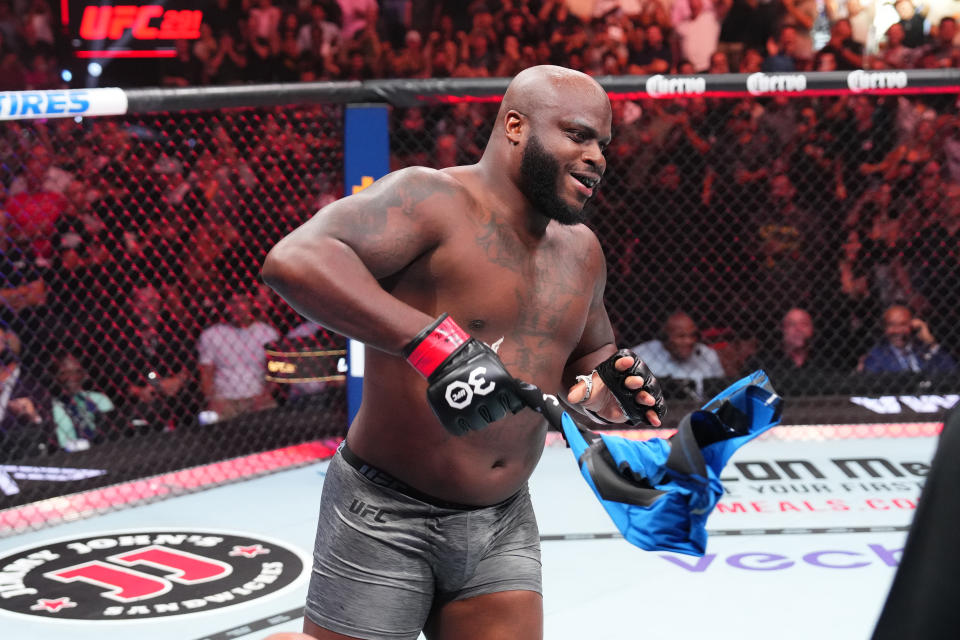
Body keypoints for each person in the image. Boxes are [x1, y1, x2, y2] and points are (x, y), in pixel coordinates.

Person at [261, 65, 664, 640]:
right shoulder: (430, 198)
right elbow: (295, 260)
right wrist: (432, 343)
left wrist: (606, 396)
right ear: (516, 126)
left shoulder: (581, 250)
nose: (598, 155)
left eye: (603, 143)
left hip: (502, 517)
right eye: (578, 135)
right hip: (385, 510)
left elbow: (585, 357)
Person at [197, 290, 279, 422]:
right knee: (209, 419)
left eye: (243, 301)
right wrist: (213, 400)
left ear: (251, 304)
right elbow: (206, 374)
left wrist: (265, 394)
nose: (238, 307)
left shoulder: (267, 333)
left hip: (257, 395)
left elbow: (276, 372)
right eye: (233, 302)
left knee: (273, 415)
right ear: (226, 306)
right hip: (224, 399)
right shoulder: (211, 335)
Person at [632, 311, 724, 400]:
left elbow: (722, 391)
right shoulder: (641, 356)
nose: (689, 341)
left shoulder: (708, 355)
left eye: (692, 335)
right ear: (664, 336)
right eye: (681, 336)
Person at [859, 304, 956, 374]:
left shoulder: (923, 349)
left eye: (902, 324)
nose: (897, 331)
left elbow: (953, 371)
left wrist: (931, 342)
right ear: (885, 328)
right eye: (891, 325)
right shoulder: (876, 356)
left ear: (912, 325)